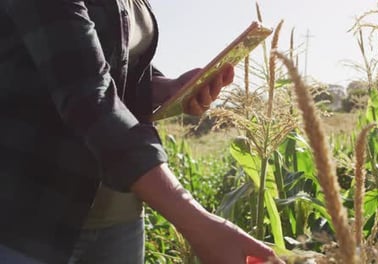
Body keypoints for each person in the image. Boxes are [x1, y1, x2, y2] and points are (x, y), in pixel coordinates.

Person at [0, 0, 281, 263]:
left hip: (120, 216)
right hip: (36, 216)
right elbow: (86, 94)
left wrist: (167, 88)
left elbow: (114, 67)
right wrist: (199, 224)